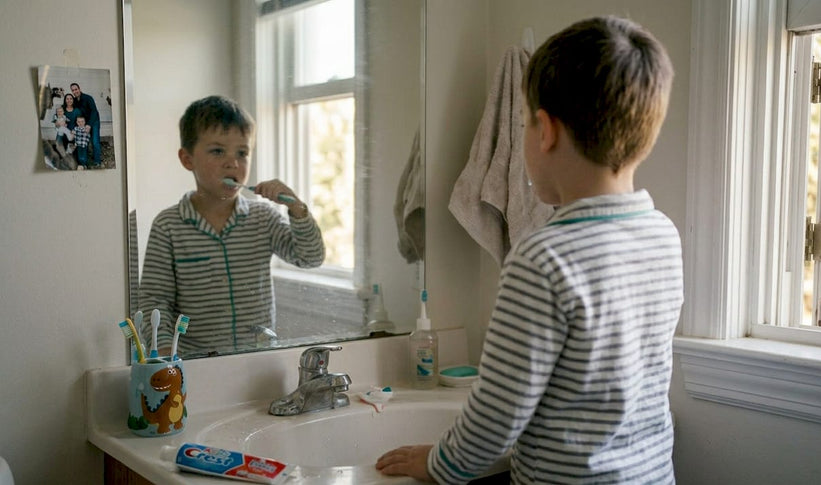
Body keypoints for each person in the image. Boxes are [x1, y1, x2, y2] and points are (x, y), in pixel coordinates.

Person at [376, 16, 682, 484]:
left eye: (522, 124)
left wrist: (435, 464)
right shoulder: (662, 236)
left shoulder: (544, 259)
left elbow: (495, 419)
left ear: (546, 131)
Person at [138, 95, 325, 357]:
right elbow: (154, 302)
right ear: (187, 159)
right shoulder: (169, 226)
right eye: (217, 151)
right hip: (195, 366)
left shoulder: (264, 217)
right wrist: (170, 358)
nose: (233, 163)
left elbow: (310, 258)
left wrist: (297, 208)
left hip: (258, 364)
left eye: (242, 152)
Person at [70, 82, 101, 167]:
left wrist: (89, 125)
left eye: (76, 89)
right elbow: (70, 108)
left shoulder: (88, 98)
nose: (75, 91)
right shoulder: (75, 101)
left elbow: (94, 111)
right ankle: (84, 160)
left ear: (79, 89)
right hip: (83, 123)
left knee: (95, 141)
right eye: (73, 90)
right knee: (83, 140)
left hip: (94, 121)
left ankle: (97, 161)